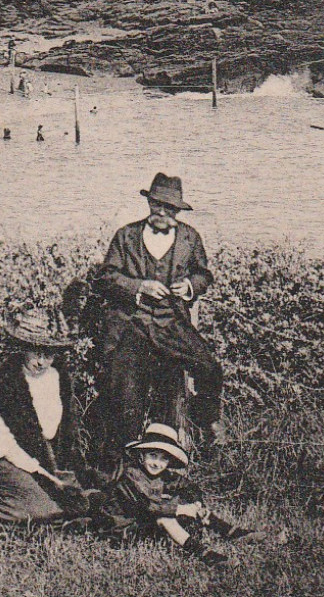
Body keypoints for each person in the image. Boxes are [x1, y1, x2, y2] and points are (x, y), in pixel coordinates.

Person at [79, 173, 224, 469]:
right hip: (131, 324)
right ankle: (121, 467)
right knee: (126, 395)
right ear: (148, 203)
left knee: (210, 368)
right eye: (157, 205)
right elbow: (106, 277)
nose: (162, 213)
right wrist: (139, 287)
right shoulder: (126, 236)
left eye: (169, 208)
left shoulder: (189, 238)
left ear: (177, 211)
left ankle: (204, 424)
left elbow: (204, 274)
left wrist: (190, 286)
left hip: (171, 323)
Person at [0, 308, 90, 527]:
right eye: (35, 352)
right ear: (24, 348)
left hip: (43, 457)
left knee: (83, 502)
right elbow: (4, 445)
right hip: (6, 458)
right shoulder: (6, 382)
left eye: (48, 354)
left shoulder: (58, 378)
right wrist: (46, 477)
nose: (41, 362)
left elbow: (59, 433)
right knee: (43, 509)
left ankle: (42, 504)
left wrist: (59, 472)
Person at [102, 423, 256, 564]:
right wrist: (180, 509)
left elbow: (188, 486)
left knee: (184, 506)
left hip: (145, 526)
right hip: (123, 531)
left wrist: (196, 504)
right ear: (141, 456)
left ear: (169, 462)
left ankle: (229, 531)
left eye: (164, 459)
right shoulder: (131, 476)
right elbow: (147, 506)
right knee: (165, 517)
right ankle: (202, 553)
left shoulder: (163, 476)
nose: (157, 463)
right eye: (153, 456)